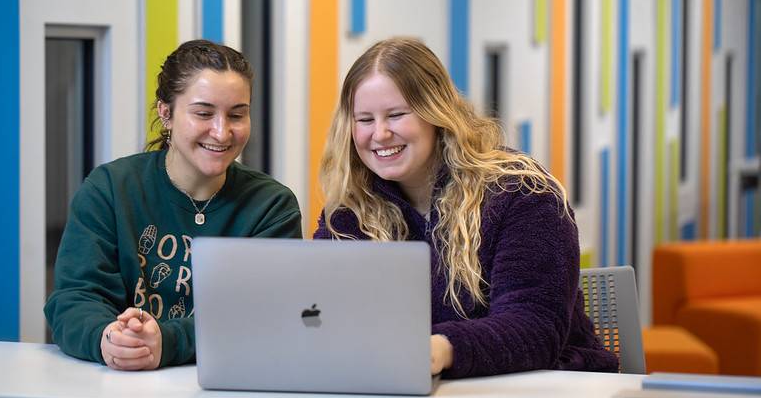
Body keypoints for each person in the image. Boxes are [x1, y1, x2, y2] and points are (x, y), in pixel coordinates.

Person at [314, 38, 619, 378]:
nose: (380, 133)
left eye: (397, 115)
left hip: (547, 388)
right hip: (414, 393)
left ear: (437, 113)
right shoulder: (350, 211)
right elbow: (320, 311)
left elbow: (534, 326)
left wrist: (441, 348)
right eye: (365, 119)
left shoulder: (522, 192)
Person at [45, 40, 302, 370]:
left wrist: (166, 342)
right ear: (166, 113)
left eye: (237, 115)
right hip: (119, 389)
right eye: (203, 113)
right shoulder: (110, 189)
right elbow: (73, 299)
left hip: (227, 393)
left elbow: (266, 316)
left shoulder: (272, 207)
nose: (222, 132)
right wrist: (109, 338)